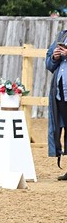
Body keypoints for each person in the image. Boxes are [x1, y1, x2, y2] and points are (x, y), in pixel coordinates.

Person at [45, 23, 67, 180]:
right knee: (63, 128)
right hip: (60, 94)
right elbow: (49, 63)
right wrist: (55, 57)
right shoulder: (61, 36)